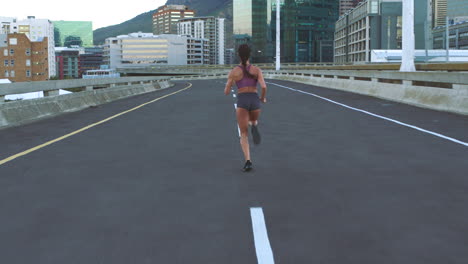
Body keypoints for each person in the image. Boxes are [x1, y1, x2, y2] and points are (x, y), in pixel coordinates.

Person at [224, 44, 267, 172]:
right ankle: (254, 124)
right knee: (253, 120)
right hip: (254, 99)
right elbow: (264, 87)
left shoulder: (234, 71)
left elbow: (226, 91)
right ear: (250, 54)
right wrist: (262, 98)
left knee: (243, 133)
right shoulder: (256, 70)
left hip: (242, 100)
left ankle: (248, 161)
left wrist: (230, 83)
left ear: (238, 54)